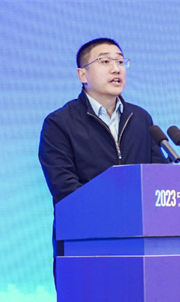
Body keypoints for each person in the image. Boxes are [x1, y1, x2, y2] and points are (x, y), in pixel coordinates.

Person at [39, 38, 166, 275]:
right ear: (82, 75)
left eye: (120, 62)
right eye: (105, 62)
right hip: (84, 243)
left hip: (140, 243)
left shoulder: (141, 119)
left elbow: (158, 178)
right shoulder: (59, 123)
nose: (116, 69)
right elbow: (65, 188)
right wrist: (116, 214)